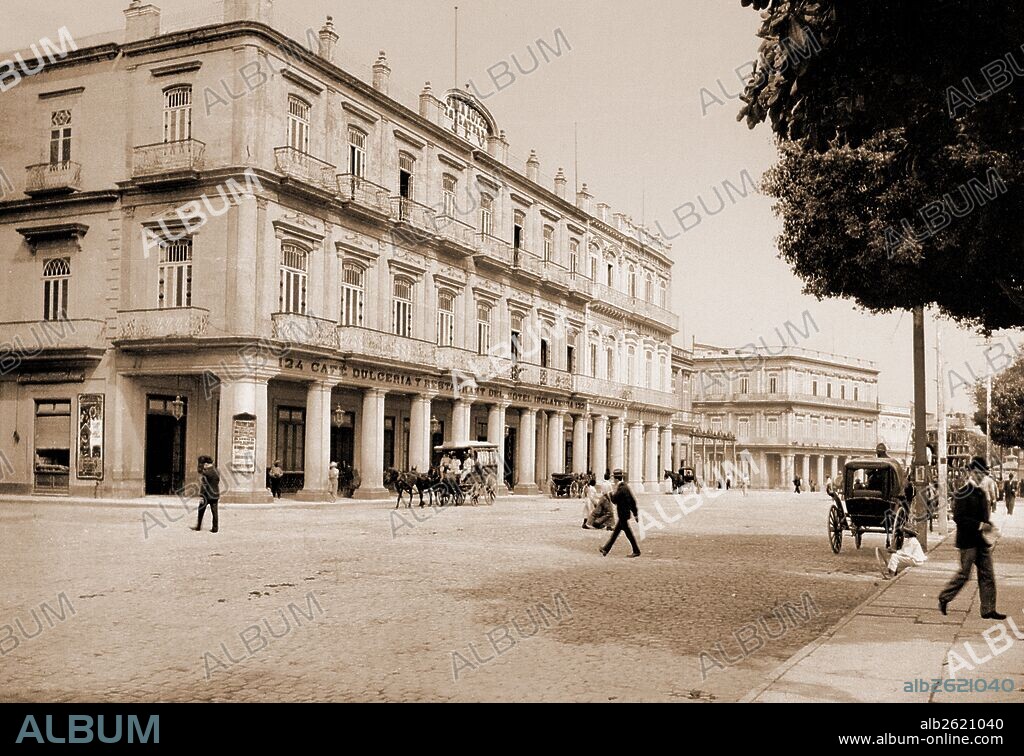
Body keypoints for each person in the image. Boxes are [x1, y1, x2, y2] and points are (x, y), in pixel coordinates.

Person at [938, 457, 1005, 620]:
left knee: (987, 574)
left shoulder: (982, 493)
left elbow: (983, 517)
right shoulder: (963, 492)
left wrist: (990, 527)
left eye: (982, 473)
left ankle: (988, 609)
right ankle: (945, 597)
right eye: (977, 473)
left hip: (980, 541)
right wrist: (981, 525)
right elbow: (958, 518)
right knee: (964, 574)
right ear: (970, 473)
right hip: (967, 542)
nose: (980, 476)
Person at [600, 469, 641, 558]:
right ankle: (606, 549)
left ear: (616, 479)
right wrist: (635, 514)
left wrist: (610, 494)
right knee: (616, 533)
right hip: (624, 514)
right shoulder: (625, 487)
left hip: (623, 514)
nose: (613, 480)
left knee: (626, 534)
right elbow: (632, 501)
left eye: (614, 478)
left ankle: (636, 550)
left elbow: (614, 500)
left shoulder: (621, 488)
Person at [193, 456, 220, 533]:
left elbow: (204, 485)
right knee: (215, 512)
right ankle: (215, 528)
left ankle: (198, 526)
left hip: (207, 495)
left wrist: (201, 496)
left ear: (206, 464)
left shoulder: (206, 473)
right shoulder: (217, 471)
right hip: (215, 494)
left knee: (201, 510)